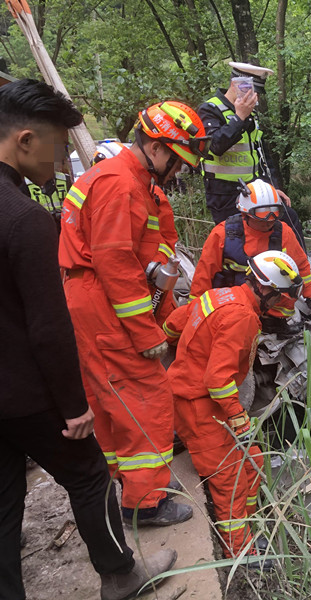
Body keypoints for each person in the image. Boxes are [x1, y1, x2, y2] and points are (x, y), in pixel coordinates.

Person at [0, 78, 175, 600]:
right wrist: (75, 407)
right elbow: (50, 328)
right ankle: (120, 573)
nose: (59, 162)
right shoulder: (25, 219)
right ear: (26, 139)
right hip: (26, 391)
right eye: (56, 146)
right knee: (89, 473)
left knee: (6, 507)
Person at [59, 100, 211, 527]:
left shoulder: (122, 178)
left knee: (110, 395)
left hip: (90, 299)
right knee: (147, 396)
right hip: (103, 302)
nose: (178, 171)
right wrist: (146, 333)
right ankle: (144, 504)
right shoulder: (120, 184)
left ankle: (131, 481)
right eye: (177, 161)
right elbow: (116, 266)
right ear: (157, 147)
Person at [163, 250, 299, 561]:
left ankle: (248, 527)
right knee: (230, 483)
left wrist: (172, 345)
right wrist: (238, 418)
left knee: (253, 460)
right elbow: (217, 379)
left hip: (192, 399)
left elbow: (175, 322)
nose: (282, 304)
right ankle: (241, 553)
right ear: (266, 290)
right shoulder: (242, 317)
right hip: (199, 407)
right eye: (281, 297)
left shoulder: (218, 295)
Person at [189, 179, 311, 335]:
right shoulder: (223, 234)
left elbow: (301, 265)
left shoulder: (283, 232)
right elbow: (204, 274)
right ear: (245, 213)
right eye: (262, 217)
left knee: (287, 277)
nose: (269, 222)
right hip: (234, 302)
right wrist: (194, 311)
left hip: (272, 307)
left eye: (274, 215)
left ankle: (275, 323)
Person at [198, 61, 305, 247]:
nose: (254, 97)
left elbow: (262, 156)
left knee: (287, 218)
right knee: (236, 241)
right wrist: (239, 118)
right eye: (249, 90)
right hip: (224, 194)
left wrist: (272, 188)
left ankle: (301, 270)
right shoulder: (210, 109)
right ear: (235, 85)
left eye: (256, 93)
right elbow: (214, 145)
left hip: (253, 189)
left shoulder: (251, 115)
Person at [91, 140, 180, 326]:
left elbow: (166, 240)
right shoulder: (113, 188)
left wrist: (155, 266)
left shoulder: (150, 196)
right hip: (118, 289)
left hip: (149, 283)